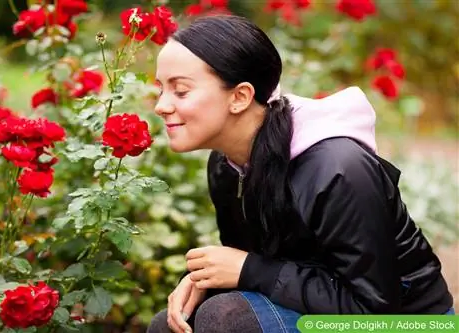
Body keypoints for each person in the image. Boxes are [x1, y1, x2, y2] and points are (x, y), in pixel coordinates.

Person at [147, 14, 455, 333]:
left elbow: (373, 308)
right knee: (169, 326)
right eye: (161, 90)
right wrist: (207, 279)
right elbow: (259, 268)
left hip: (406, 321)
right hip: (325, 304)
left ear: (239, 97)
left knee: (228, 320)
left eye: (180, 91)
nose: (161, 106)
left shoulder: (337, 167)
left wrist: (247, 270)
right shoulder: (226, 167)